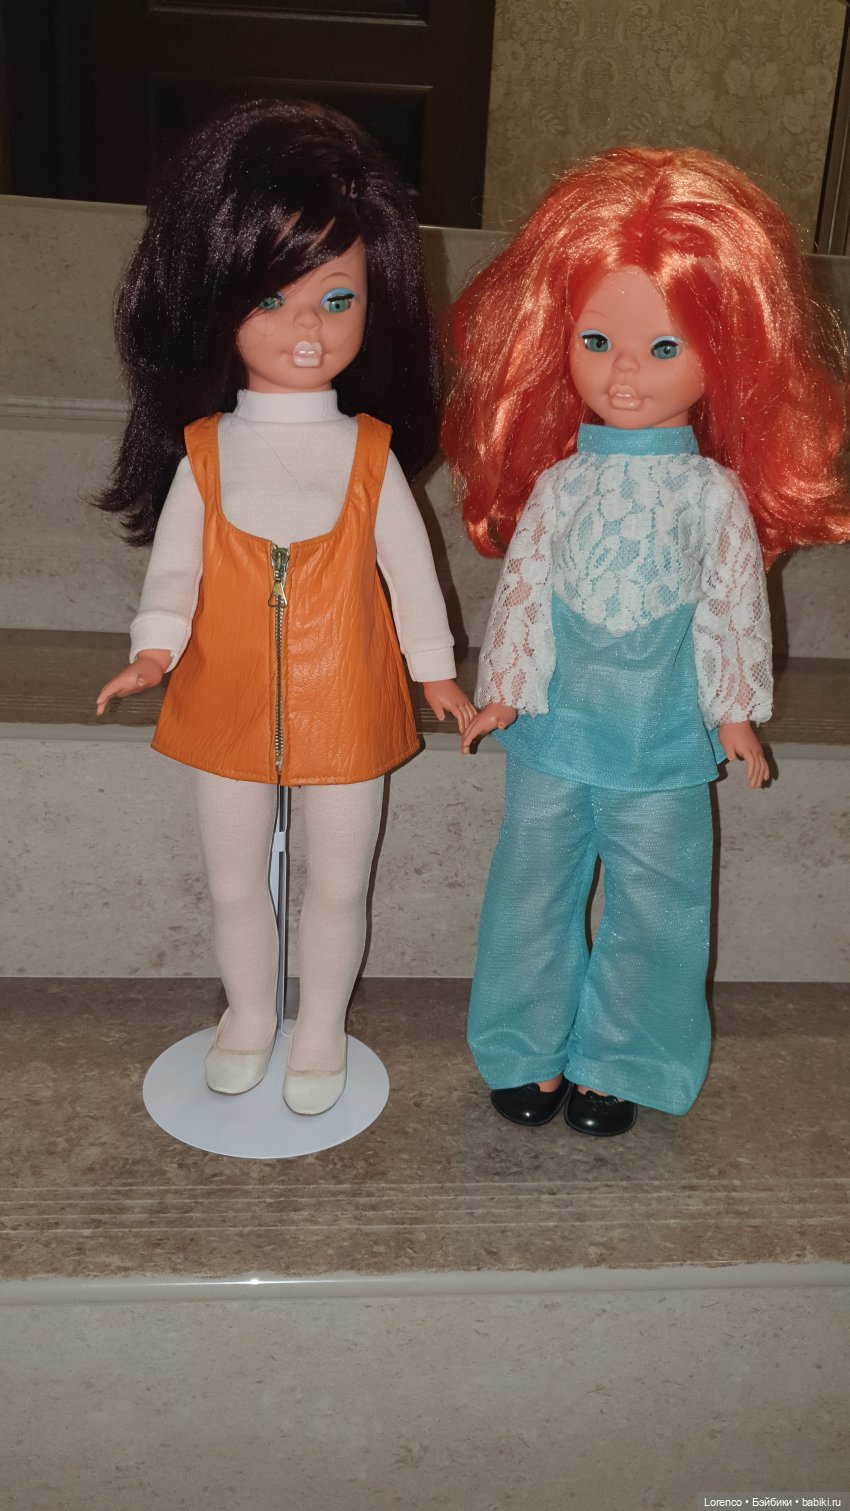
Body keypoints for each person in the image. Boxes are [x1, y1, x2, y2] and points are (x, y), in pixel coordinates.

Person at [443, 146, 848, 1136]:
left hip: (664, 735)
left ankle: (618, 1060)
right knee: (530, 887)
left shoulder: (711, 495)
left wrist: (734, 712)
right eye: (597, 341)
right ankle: (526, 1048)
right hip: (551, 725)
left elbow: (730, 605)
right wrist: (503, 689)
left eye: (665, 347)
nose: (624, 371)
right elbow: (525, 591)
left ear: (729, 356)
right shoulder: (559, 485)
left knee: (659, 903)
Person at [96, 100, 474, 1113]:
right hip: (223, 702)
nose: (308, 328)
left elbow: (413, 574)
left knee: (340, 882)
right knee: (234, 882)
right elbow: (174, 575)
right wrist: (154, 648)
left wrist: (435, 671)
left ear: (376, 306)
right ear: (215, 300)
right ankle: (251, 1013)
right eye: (273, 297)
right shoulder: (205, 454)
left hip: (347, 701)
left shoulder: (370, 457)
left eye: (336, 298)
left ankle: (320, 1025)